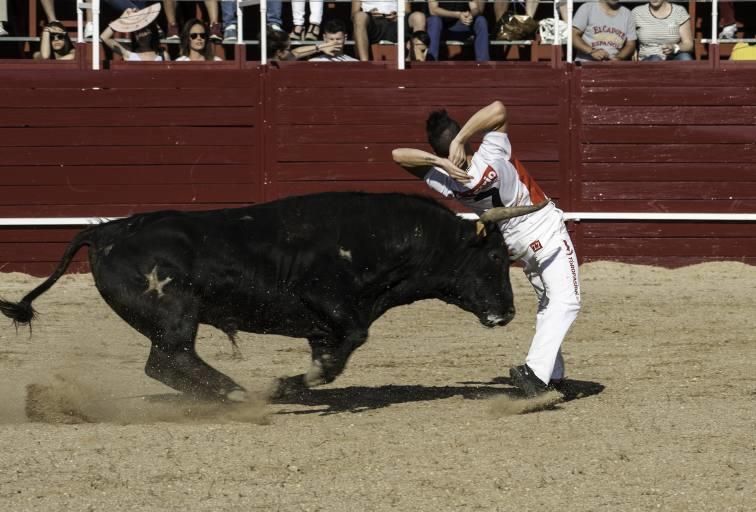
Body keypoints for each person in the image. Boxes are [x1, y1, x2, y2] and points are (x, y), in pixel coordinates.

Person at [391, 101, 581, 398]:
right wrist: (461, 138)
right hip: (544, 229)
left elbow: (398, 156)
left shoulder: (447, 182)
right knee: (567, 302)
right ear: (456, 140)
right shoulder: (491, 152)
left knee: (550, 303)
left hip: (515, 245)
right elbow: (499, 109)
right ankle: (535, 373)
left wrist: (441, 162)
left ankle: (552, 374)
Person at [351, 0, 427, 61]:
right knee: (359, 16)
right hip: (372, 22)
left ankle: (417, 58)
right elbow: (353, 14)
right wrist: (370, 13)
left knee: (419, 16)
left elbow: (407, 10)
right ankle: (364, 62)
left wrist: (398, 14)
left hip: (397, 20)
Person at [101, 9, 168, 61]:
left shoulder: (163, 55)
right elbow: (104, 37)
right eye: (138, 30)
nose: (141, 32)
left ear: (151, 31)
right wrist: (122, 19)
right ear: (134, 35)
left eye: (144, 29)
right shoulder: (128, 53)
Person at [267, 29, 340, 61]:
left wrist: (320, 47)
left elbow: (296, 52)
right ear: (279, 52)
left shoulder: (283, 57)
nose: (291, 51)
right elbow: (295, 53)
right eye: (288, 49)